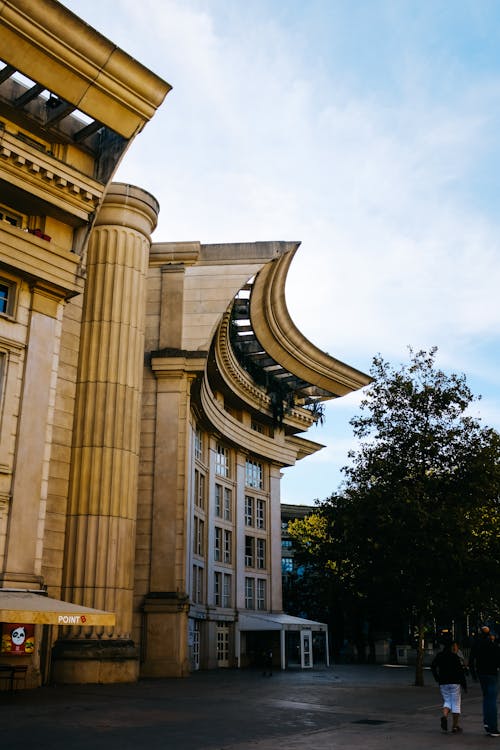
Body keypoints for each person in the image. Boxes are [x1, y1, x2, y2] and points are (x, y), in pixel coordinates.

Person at [469, 626, 500, 737]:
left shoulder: (477, 645)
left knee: (486, 698)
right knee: (491, 700)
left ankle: (487, 724)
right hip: (492, 673)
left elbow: (471, 660)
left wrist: (473, 674)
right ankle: (493, 727)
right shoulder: (493, 646)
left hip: (481, 673)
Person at [431, 639, 467, 733]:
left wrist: (437, 677)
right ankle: (455, 726)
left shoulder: (440, 655)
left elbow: (433, 666)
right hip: (454, 682)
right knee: (455, 703)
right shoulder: (454, 657)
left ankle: (445, 716)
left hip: (443, 682)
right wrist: (464, 685)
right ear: (451, 647)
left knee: (447, 701)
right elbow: (460, 672)